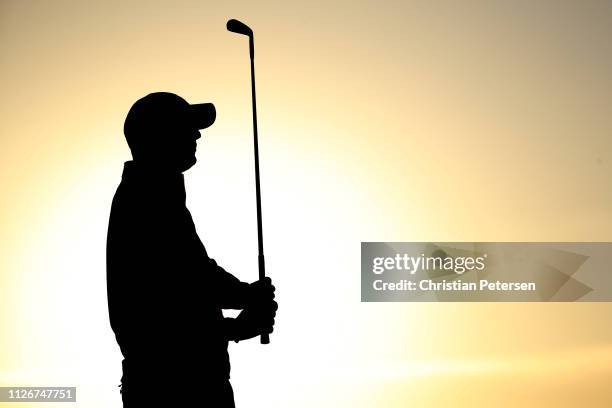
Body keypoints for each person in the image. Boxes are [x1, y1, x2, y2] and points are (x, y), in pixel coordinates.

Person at [106, 92, 277, 407]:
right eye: (186, 127)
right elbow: (188, 284)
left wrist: (240, 312)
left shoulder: (152, 193)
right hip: (176, 390)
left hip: (172, 382)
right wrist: (245, 303)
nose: (197, 135)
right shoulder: (147, 198)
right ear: (160, 137)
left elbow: (182, 299)